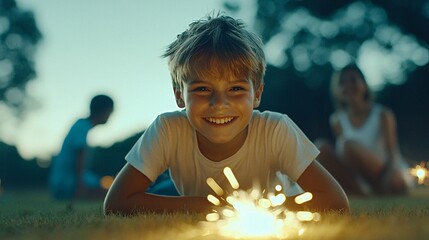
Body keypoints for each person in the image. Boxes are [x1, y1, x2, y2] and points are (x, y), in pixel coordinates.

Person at [103, 14, 349, 215]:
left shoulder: (275, 130)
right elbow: (116, 203)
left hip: (276, 200)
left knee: (167, 191)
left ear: (257, 94)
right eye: (202, 89)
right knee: (167, 190)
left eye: (235, 89)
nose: (219, 103)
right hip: (195, 195)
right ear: (179, 95)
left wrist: (256, 210)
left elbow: (336, 202)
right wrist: (214, 207)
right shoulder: (168, 129)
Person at [316, 64, 411, 196]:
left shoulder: (382, 114)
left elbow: (392, 151)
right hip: (360, 178)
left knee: (346, 145)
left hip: (386, 170)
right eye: (342, 82)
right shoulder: (337, 120)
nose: (348, 85)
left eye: (353, 80)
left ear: (364, 85)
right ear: (336, 90)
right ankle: (359, 192)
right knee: (320, 148)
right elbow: (345, 160)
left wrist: (392, 175)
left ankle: (378, 188)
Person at [49, 94, 114, 200]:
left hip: (66, 181)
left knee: (109, 187)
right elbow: (80, 155)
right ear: (105, 111)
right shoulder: (82, 126)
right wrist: (81, 186)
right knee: (112, 193)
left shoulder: (81, 125)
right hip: (66, 183)